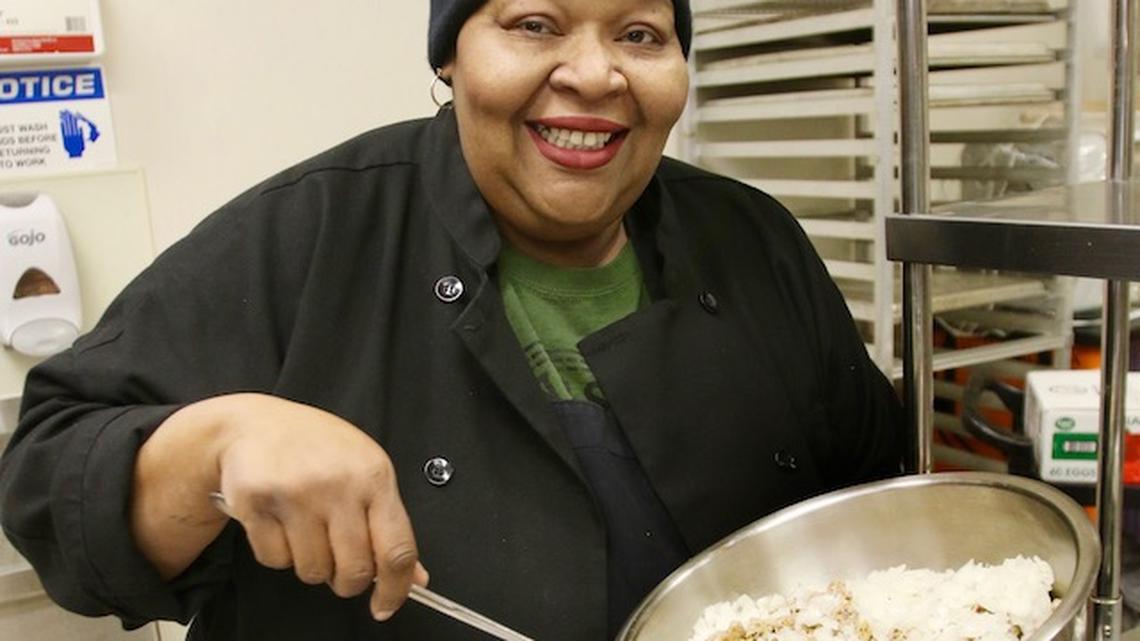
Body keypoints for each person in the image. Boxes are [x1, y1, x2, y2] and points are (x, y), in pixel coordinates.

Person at [0, 1, 904, 639]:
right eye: (534, 24)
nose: (593, 74)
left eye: (640, 33)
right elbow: (47, 478)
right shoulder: (313, 230)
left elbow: (882, 499)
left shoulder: (756, 242)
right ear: (452, 53)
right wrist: (213, 443)